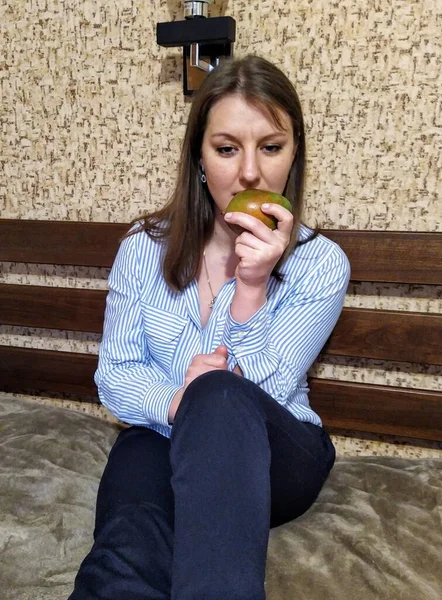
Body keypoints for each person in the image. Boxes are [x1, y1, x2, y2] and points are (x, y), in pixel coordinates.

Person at [68, 54, 350, 600]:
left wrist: (252, 285)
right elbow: (116, 376)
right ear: (199, 157)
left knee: (220, 396)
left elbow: (260, 393)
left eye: (271, 147)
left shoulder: (320, 263)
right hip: (165, 435)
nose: (250, 172)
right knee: (129, 521)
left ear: (294, 154)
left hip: (280, 454)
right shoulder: (143, 249)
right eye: (226, 149)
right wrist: (179, 403)